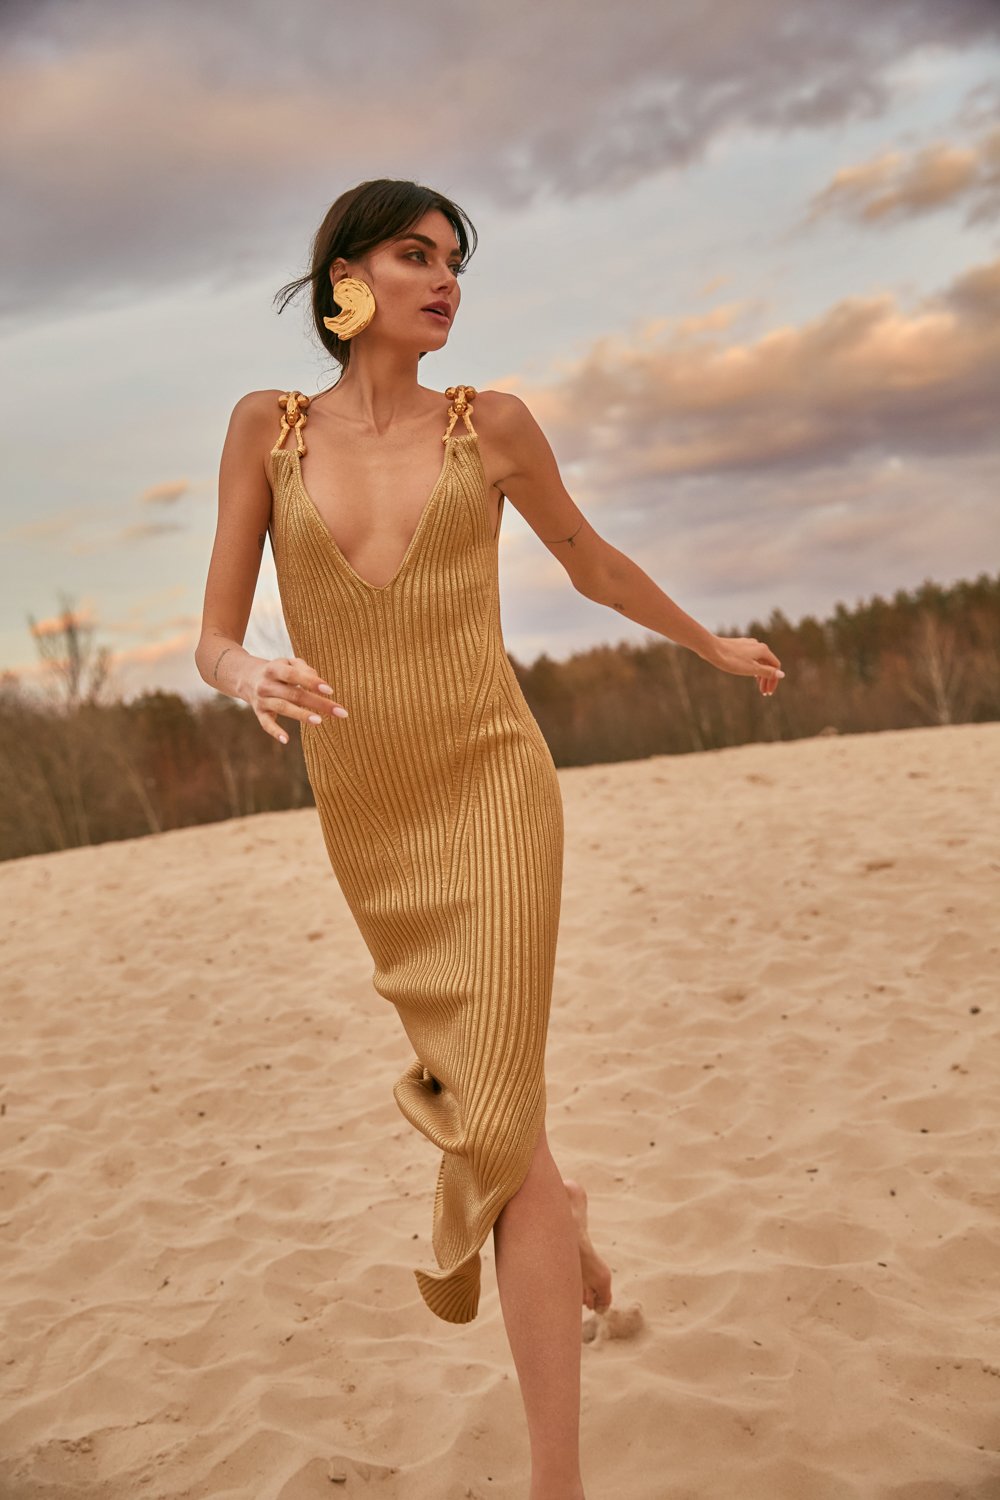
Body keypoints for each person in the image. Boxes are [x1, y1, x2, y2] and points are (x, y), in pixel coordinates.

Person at [195, 177, 784, 1500]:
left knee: (497, 1112)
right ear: (344, 279)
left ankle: (553, 1484)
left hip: (494, 786)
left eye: (457, 258)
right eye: (416, 254)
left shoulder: (495, 426)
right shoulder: (264, 430)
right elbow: (215, 630)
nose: (446, 276)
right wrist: (246, 676)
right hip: (371, 819)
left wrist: (706, 641)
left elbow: (590, 560)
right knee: (498, 1113)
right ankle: (552, 1220)